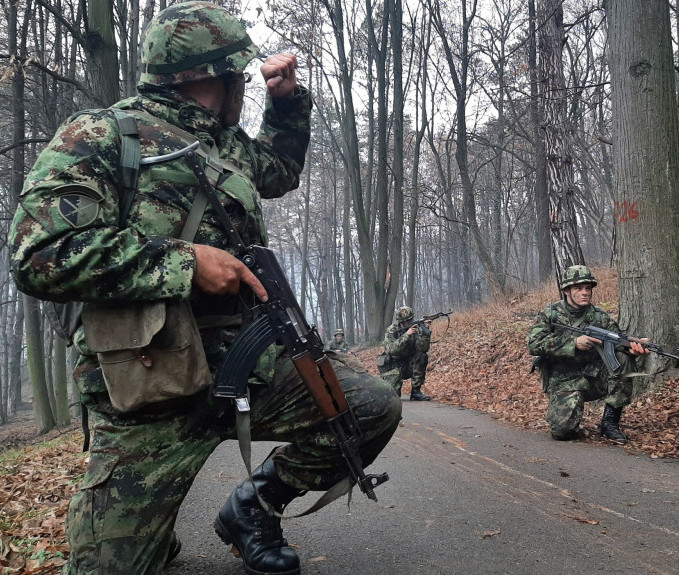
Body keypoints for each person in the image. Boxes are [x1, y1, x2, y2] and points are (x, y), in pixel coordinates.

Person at [9, 3, 401, 575]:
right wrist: (183, 264)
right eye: (239, 75)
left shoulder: (224, 141)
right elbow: (38, 257)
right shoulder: (99, 135)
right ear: (210, 78)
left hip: (249, 367)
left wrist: (287, 102)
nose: (244, 84)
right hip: (150, 391)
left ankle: (255, 508)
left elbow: (279, 171)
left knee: (366, 407)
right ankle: (142, 528)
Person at [527, 265, 649, 443]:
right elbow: (534, 344)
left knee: (623, 358)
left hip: (594, 377)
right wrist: (573, 343)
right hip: (563, 380)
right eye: (578, 288)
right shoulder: (551, 314)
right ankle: (571, 412)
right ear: (567, 291)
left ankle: (610, 423)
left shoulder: (599, 316)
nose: (585, 293)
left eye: (588, 288)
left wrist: (632, 350)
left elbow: (617, 343)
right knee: (562, 432)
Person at [377, 306, 433, 401]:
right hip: (393, 367)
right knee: (394, 396)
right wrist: (407, 335)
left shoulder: (415, 329)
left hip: (408, 365)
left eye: (411, 319)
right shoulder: (392, 330)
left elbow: (423, 348)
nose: (410, 322)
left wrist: (425, 333)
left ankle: (416, 391)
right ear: (401, 322)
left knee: (422, 356)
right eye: (408, 321)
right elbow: (391, 349)